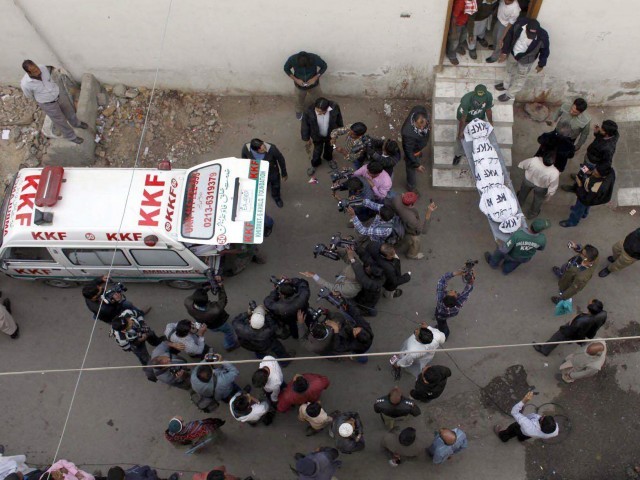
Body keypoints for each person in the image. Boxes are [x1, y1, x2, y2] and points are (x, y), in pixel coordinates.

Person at [20, 60, 87, 144]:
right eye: (34, 71)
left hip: (58, 95)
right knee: (60, 120)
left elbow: (49, 79)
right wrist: (44, 98)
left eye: (36, 68)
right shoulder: (26, 84)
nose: (38, 71)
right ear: (29, 73)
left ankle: (76, 123)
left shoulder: (43, 68)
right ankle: (71, 136)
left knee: (69, 111)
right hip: (47, 104)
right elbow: (29, 95)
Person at [495, 18, 550, 102]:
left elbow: (545, 50)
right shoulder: (519, 25)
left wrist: (541, 64)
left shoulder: (543, 35)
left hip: (527, 60)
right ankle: (505, 85)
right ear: (526, 27)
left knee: (520, 78)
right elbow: (509, 37)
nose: (530, 37)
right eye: (529, 34)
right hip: (514, 53)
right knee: (508, 70)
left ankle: (509, 94)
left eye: (532, 35)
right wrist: (505, 52)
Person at [534, 299, 607, 356]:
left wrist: (564, 329)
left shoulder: (581, 322)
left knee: (556, 338)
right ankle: (569, 340)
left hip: (572, 330)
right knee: (572, 337)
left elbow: (575, 331)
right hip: (584, 331)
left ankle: (544, 350)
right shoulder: (603, 314)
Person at [536, 98, 591, 172]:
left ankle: (557, 170)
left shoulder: (586, 120)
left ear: (581, 112)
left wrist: (578, 146)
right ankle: (537, 160)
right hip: (556, 133)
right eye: (571, 108)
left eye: (575, 112)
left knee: (562, 157)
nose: (571, 112)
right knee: (545, 148)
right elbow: (558, 112)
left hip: (568, 140)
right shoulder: (565, 106)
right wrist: (553, 120)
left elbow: (584, 134)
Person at [184, 282, 239, 352]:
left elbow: (196, 296)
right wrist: (221, 287)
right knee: (229, 332)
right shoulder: (214, 310)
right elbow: (223, 300)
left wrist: (205, 289)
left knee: (219, 330)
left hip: (209, 325)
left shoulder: (187, 303)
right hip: (221, 324)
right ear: (206, 301)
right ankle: (229, 345)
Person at [110, 309, 163, 382]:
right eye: (128, 324)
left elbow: (138, 314)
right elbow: (128, 348)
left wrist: (142, 323)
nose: (131, 321)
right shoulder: (121, 339)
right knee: (144, 357)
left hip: (142, 328)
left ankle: (156, 342)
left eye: (128, 320)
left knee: (151, 334)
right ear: (124, 330)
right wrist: (138, 341)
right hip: (136, 343)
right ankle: (150, 368)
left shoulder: (127, 313)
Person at [484, 219, 550, 274]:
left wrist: (499, 250)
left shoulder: (518, 234)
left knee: (499, 252)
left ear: (531, 225)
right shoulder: (542, 239)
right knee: (512, 264)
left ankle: (493, 264)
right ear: (540, 231)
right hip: (525, 257)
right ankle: (505, 271)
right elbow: (541, 248)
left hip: (512, 255)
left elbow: (505, 249)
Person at [560, 163, 616, 228]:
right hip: (590, 195)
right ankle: (584, 214)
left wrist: (580, 184)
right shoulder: (609, 171)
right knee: (587, 205)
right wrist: (587, 171)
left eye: (596, 173)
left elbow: (586, 199)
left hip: (586, 196)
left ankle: (572, 221)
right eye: (595, 170)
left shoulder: (598, 187)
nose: (593, 172)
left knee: (579, 207)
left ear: (602, 176)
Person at [453, 84, 493, 165]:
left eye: (481, 100)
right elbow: (463, 118)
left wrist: (491, 122)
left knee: (482, 136)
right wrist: (461, 132)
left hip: (479, 117)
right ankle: (458, 154)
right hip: (465, 119)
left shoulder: (488, 96)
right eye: (477, 100)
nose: (479, 102)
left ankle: (477, 153)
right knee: (460, 138)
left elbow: (488, 109)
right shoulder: (466, 99)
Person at [301, 97, 344, 174]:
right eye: (317, 110)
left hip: (330, 135)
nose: (318, 112)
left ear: (327, 109)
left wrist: (337, 133)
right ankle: (315, 164)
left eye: (320, 111)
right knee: (317, 150)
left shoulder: (334, 107)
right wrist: (306, 138)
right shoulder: (309, 111)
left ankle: (329, 158)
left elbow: (339, 119)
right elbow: (305, 125)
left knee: (330, 148)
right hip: (316, 136)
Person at [241, 138, 287, 208]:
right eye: (262, 150)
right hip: (258, 172)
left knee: (276, 185)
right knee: (262, 184)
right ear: (255, 150)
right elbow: (244, 158)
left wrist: (284, 173)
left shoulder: (272, 148)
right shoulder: (246, 148)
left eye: (264, 147)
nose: (265, 150)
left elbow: (281, 159)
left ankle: (276, 197)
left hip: (272, 171)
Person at [82, 277, 149, 323]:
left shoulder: (87, 291)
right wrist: (118, 301)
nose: (102, 288)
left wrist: (101, 279)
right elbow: (116, 310)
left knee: (128, 304)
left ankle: (140, 313)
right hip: (112, 314)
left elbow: (94, 283)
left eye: (100, 287)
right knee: (125, 316)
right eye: (100, 290)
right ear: (94, 297)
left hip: (108, 307)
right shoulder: (103, 309)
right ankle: (136, 320)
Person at [391, 193, 437, 259]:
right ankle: (412, 255)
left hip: (398, 221)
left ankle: (398, 243)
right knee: (416, 241)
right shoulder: (411, 218)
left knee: (400, 238)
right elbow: (424, 230)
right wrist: (429, 211)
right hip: (409, 229)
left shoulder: (396, 199)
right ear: (412, 203)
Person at [284, 51, 328, 120]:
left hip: (314, 85)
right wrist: (296, 80)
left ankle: (320, 109)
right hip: (299, 85)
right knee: (298, 99)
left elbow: (324, 66)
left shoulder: (314, 58)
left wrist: (315, 78)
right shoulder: (292, 59)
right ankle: (299, 111)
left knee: (318, 98)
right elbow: (286, 68)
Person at [516, 152, 559, 218]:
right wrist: (550, 195)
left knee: (522, 193)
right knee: (538, 199)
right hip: (542, 187)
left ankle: (517, 206)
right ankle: (532, 213)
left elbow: (522, 164)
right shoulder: (555, 172)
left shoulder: (534, 160)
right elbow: (553, 185)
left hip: (528, 180)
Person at [434, 270, 475, 338]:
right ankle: (445, 333)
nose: (453, 290)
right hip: (448, 315)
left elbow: (442, 280)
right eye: (454, 292)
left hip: (440, 315)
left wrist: (455, 273)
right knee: (443, 324)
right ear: (456, 299)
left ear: (445, 296)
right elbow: (466, 292)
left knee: (441, 323)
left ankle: (443, 331)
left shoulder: (440, 299)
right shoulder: (458, 304)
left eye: (451, 291)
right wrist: (471, 282)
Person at [401, 105, 430, 194]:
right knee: (411, 169)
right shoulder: (407, 133)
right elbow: (409, 151)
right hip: (413, 152)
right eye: (419, 126)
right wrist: (416, 165)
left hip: (418, 147)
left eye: (424, 125)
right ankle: (411, 186)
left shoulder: (419, 110)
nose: (422, 128)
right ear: (414, 121)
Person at [446, 0, 470, 65]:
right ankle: (451, 55)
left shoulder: (472, 1)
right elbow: (453, 18)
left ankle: (457, 47)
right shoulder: (461, 2)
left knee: (463, 37)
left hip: (464, 21)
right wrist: (454, 32)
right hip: (457, 24)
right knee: (454, 41)